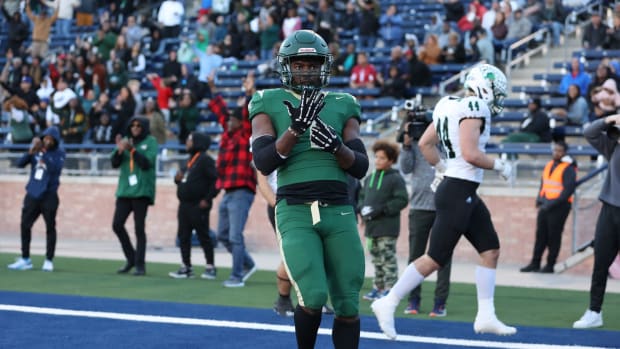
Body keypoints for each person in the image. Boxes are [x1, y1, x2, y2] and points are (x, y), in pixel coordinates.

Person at [371, 63, 517, 339]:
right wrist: (501, 165)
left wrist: (442, 170)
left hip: (460, 187)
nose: (496, 98)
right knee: (435, 258)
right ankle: (387, 302)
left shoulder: (448, 104)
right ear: (484, 86)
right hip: (459, 188)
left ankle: (486, 315)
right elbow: (472, 154)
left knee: (490, 249)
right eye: (495, 92)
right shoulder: (475, 106)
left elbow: (426, 144)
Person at [249, 29, 369, 349]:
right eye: (299, 64)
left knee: (347, 301)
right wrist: (294, 129)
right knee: (313, 295)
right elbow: (263, 161)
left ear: (323, 66)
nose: (305, 70)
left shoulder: (344, 102)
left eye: (312, 64)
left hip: (339, 209)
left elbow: (360, 165)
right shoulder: (267, 99)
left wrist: (337, 147)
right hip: (296, 209)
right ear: (287, 66)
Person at [399, 114, 452, 317]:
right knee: (415, 256)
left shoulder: (449, 144)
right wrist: (406, 144)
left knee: (443, 258)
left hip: (445, 208)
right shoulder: (414, 145)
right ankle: (413, 300)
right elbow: (405, 168)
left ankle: (440, 302)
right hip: (419, 207)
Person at [573, 113, 620, 329]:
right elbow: (589, 132)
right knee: (600, 264)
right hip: (609, 212)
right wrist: (611, 118)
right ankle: (594, 311)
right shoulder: (614, 148)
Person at [8, 127, 65, 272]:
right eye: (45, 138)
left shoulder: (59, 153)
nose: (47, 141)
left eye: (50, 139)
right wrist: (31, 151)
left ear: (55, 141)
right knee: (25, 225)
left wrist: (43, 154)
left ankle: (48, 259)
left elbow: (54, 168)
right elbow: (20, 164)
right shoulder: (36, 150)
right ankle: (25, 258)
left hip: (49, 195)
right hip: (33, 193)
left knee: (50, 227)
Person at [214, 100, 257, 288]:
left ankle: (237, 276)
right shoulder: (228, 136)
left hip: (242, 190)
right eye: (229, 119)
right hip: (228, 190)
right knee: (222, 235)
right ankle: (247, 263)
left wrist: (249, 93)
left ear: (241, 122)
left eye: (233, 119)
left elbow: (249, 113)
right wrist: (213, 89)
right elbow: (221, 112)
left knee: (235, 236)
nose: (229, 121)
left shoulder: (246, 135)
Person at [359, 140, 408, 301]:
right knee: (376, 259)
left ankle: (390, 289)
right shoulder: (369, 178)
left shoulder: (396, 179)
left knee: (388, 259)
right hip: (371, 228)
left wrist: (381, 210)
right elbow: (362, 197)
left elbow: (402, 200)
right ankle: (378, 287)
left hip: (387, 228)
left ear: (391, 161)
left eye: (382, 158)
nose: (377, 161)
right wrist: (361, 209)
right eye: (376, 157)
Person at [111, 116, 158, 276]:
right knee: (117, 225)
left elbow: (146, 163)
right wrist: (119, 150)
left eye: (139, 125)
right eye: (133, 125)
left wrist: (132, 150)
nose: (135, 128)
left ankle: (140, 264)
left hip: (142, 191)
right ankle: (131, 258)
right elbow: (114, 163)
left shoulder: (151, 142)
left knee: (139, 228)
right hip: (125, 190)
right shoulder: (125, 140)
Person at [520, 141, 577, 274]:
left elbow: (567, 191)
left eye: (559, 151)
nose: (556, 153)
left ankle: (550, 265)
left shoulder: (568, 168)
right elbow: (544, 184)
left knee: (554, 236)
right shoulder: (549, 165)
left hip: (559, 207)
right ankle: (535, 263)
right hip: (545, 205)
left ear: (564, 153)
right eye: (555, 150)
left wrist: (550, 204)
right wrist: (539, 199)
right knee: (540, 235)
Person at [169, 131, 218, 279]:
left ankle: (210, 267)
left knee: (203, 236)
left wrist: (207, 199)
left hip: (198, 205)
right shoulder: (189, 160)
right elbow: (184, 179)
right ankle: (186, 267)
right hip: (184, 205)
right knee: (183, 236)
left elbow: (215, 181)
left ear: (198, 142)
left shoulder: (205, 160)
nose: (187, 143)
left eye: (190, 140)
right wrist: (177, 180)